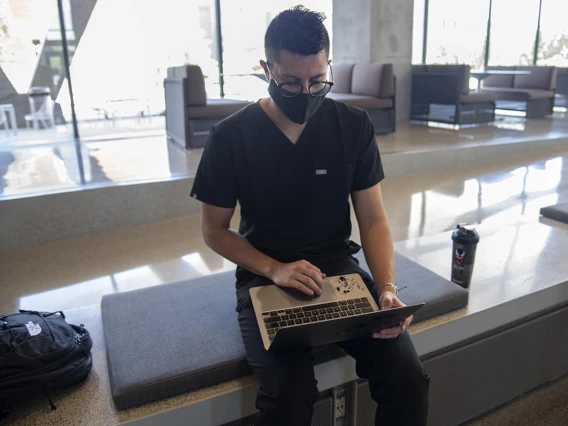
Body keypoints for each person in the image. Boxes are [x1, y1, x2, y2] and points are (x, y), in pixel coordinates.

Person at [190, 6, 429, 426]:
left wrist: (387, 289)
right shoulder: (231, 137)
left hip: (338, 269)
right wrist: (275, 268)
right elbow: (214, 231)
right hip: (264, 275)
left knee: (407, 376)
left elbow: (372, 219)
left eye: (318, 81)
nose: (306, 92)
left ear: (328, 64)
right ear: (267, 69)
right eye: (290, 82)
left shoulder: (352, 126)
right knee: (289, 398)